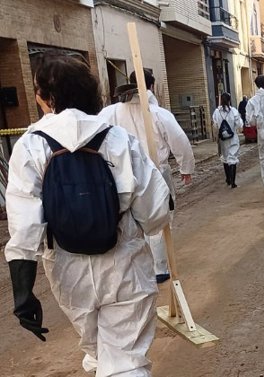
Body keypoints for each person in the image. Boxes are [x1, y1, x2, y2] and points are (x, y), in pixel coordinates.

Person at [5, 51, 169, 375]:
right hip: (124, 264)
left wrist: (22, 294)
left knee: (97, 353)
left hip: (68, 272)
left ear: (46, 97)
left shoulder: (30, 145)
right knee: (125, 359)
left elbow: (24, 228)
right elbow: (154, 213)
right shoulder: (119, 139)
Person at [99, 70, 195, 284]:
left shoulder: (109, 113)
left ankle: (134, 269)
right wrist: (185, 169)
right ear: (151, 86)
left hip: (119, 176)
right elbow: (180, 141)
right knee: (158, 218)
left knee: (127, 222)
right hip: (154, 175)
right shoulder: (157, 113)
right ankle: (159, 267)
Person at [212, 92, 243, 187]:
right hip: (233, 137)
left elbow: (215, 125)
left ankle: (228, 179)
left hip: (223, 139)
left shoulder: (217, 112)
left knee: (225, 158)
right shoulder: (233, 111)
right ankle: (233, 182)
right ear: (230, 100)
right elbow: (239, 125)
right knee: (232, 158)